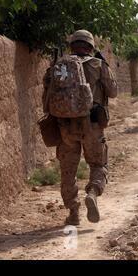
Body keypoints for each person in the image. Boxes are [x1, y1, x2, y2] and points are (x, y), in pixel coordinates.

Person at [42, 30, 118, 226]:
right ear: (91, 46)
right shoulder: (98, 65)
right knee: (98, 164)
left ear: (72, 46)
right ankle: (92, 192)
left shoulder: (57, 67)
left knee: (68, 170)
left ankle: (73, 212)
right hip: (92, 124)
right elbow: (113, 91)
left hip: (65, 126)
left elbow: (46, 99)